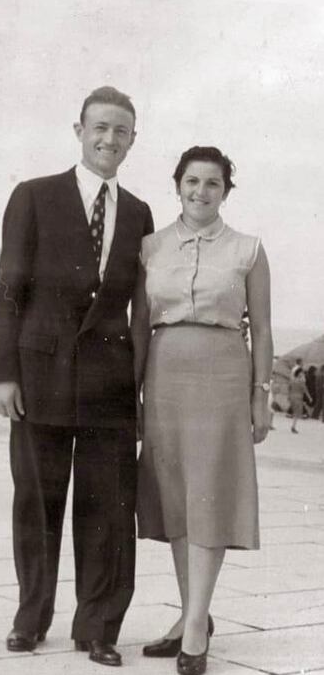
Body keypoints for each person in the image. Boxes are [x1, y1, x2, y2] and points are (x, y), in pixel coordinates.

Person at [0, 86, 153, 667]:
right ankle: (31, 617)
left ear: (134, 140)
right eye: (101, 127)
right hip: (38, 376)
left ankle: (98, 626)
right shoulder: (33, 196)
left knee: (108, 508)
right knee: (36, 501)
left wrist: (138, 389)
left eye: (122, 132)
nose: (110, 139)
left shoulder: (138, 213)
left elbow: (138, 308)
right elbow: (9, 289)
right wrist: (2, 373)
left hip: (109, 385)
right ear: (79, 130)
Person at [132, 146, 273, 675]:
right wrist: (135, 396)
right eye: (192, 181)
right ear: (177, 185)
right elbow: (140, 327)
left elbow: (260, 329)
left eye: (213, 184)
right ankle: (193, 614)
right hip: (164, 379)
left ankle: (194, 629)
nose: (201, 192)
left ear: (226, 191)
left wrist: (261, 397)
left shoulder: (248, 250)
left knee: (209, 497)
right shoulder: (150, 247)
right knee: (175, 499)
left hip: (222, 378)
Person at [289, 368, 312, 433]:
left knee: (295, 412)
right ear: (299, 373)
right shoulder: (301, 381)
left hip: (292, 397)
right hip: (298, 397)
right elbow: (305, 390)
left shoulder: (292, 380)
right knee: (296, 413)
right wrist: (309, 397)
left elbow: (289, 388)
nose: (303, 374)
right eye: (302, 372)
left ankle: (293, 426)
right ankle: (293, 427)